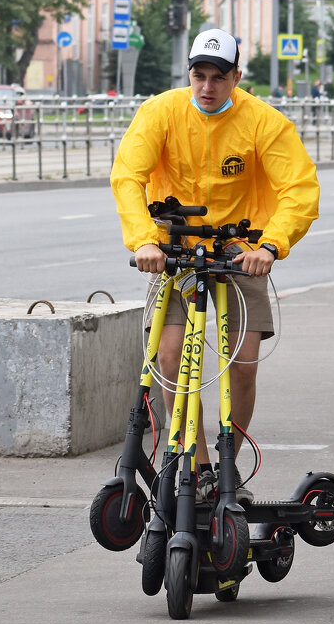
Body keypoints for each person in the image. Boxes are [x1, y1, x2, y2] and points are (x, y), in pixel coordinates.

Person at [110, 27, 320, 499]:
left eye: (218, 78)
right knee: (169, 359)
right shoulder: (160, 113)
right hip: (175, 254)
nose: (207, 87)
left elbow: (300, 189)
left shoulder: (264, 122)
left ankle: (229, 465)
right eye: (199, 75)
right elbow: (127, 176)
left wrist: (269, 247)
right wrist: (145, 241)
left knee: (243, 366)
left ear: (236, 77)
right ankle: (200, 467)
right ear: (189, 74)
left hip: (238, 255)